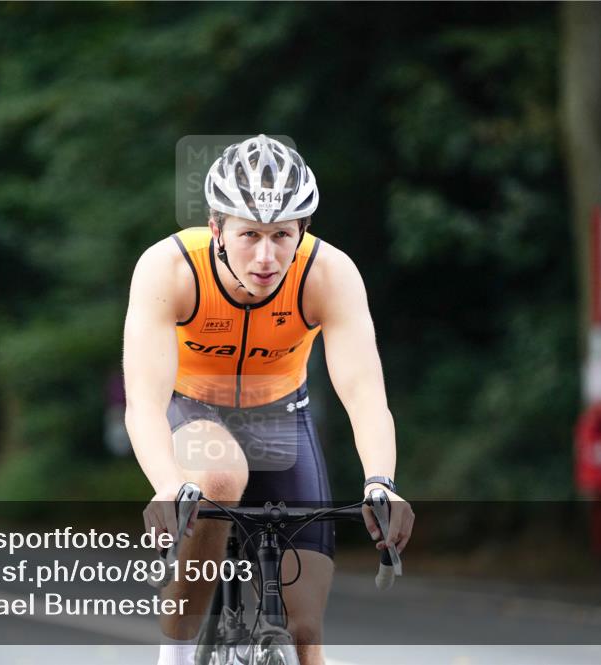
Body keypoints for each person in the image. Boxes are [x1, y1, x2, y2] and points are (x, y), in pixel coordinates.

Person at [123, 135, 414, 665]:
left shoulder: (328, 273)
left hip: (283, 417)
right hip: (193, 409)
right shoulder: (171, 269)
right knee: (217, 480)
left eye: (281, 235)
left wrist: (381, 482)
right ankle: (177, 653)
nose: (265, 256)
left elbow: (365, 391)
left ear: (302, 231)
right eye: (249, 234)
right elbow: (143, 399)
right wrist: (168, 483)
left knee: (305, 635)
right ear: (216, 228)